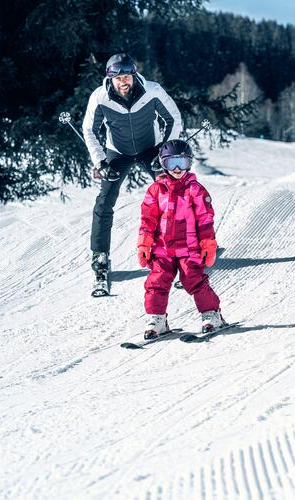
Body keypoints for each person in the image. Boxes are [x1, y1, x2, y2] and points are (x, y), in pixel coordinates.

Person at [82, 53, 182, 290]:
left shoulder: (152, 91)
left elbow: (173, 119)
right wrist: (100, 162)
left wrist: (164, 155)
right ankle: (100, 257)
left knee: (175, 195)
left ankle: (186, 250)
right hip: (117, 152)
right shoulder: (100, 97)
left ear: (134, 75)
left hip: (152, 150)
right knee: (104, 201)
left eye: (126, 76)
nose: (123, 82)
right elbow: (89, 130)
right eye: (117, 78)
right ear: (110, 79)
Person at [136, 139, 225, 339]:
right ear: (162, 164)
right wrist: (145, 242)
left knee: (194, 280)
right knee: (156, 282)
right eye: (171, 163)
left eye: (182, 163)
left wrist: (208, 244)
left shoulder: (196, 190)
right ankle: (157, 318)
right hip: (162, 250)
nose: (177, 169)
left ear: (189, 163)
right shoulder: (156, 190)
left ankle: (212, 314)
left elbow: (205, 220)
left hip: (189, 249)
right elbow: (147, 219)